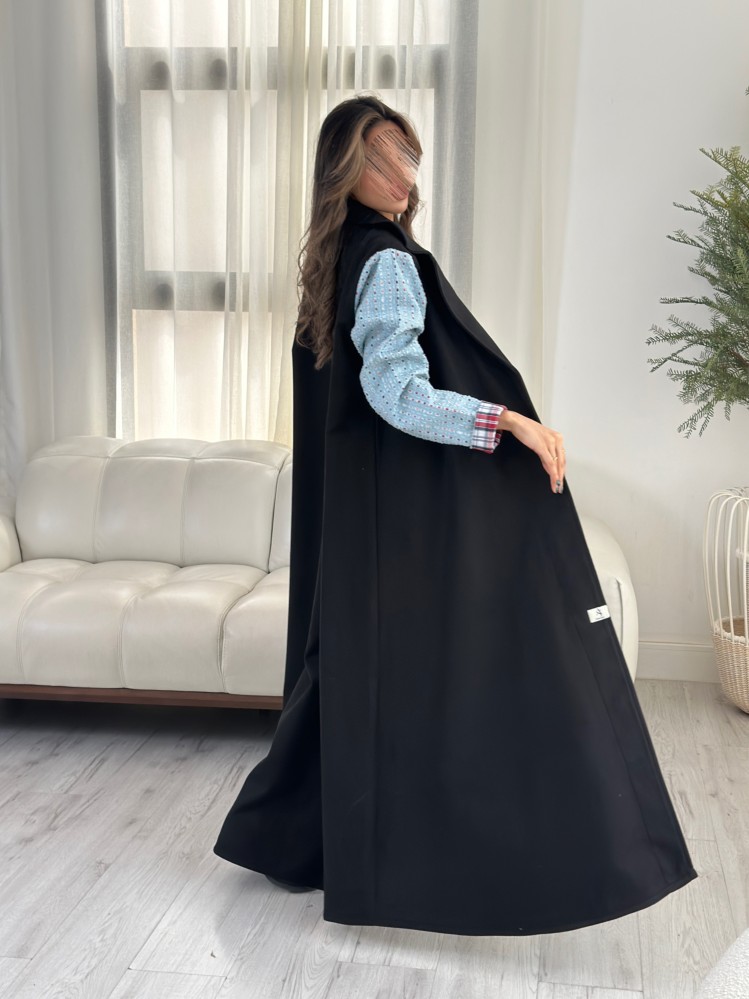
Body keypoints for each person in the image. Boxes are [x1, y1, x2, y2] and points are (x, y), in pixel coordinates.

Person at [213, 94, 698, 936]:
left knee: (349, 675)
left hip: (361, 525)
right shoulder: (385, 262)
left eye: (405, 157)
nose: (400, 177)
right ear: (342, 174)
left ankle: (297, 840)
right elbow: (393, 391)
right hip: (396, 529)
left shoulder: (335, 260)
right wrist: (504, 421)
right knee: (455, 672)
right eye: (377, 161)